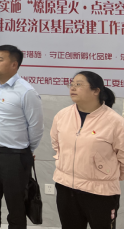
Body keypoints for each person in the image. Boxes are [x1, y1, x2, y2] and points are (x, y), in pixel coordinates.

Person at [0, 45, 44, 229]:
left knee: (16, 209)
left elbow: (36, 127)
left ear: (14, 64)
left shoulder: (26, 92)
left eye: (0, 60)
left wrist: (27, 151)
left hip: (15, 157)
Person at [51, 71, 124, 229]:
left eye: (78, 84)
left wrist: (106, 174)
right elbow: (56, 143)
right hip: (66, 188)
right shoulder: (62, 115)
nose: (73, 88)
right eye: (71, 84)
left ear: (96, 90)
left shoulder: (115, 122)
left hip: (100, 192)